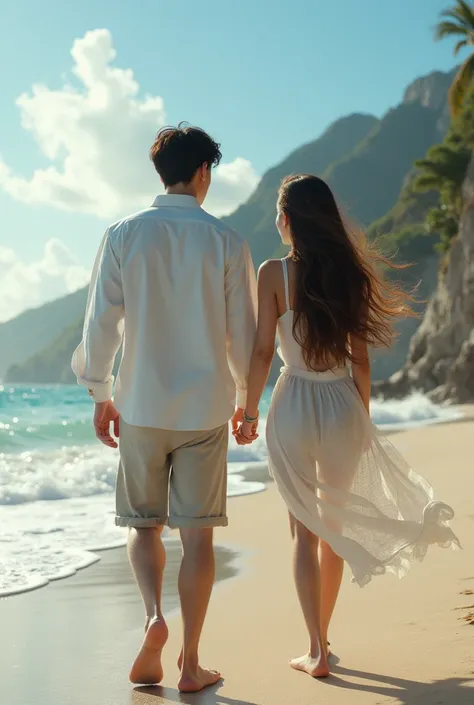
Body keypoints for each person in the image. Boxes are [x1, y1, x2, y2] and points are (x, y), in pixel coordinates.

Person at [234, 174, 459, 679]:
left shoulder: (273, 273)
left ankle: (313, 645)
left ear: (288, 219)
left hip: (291, 404)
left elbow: (263, 352)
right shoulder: (349, 275)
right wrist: (362, 421)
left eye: (277, 213)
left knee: (301, 531)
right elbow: (361, 363)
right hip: (339, 403)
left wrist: (248, 411)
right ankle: (324, 644)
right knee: (331, 531)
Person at [71, 124, 257, 693]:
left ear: (161, 172)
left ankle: (153, 616)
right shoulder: (226, 242)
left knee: (142, 523)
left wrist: (100, 392)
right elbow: (242, 338)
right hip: (204, 411)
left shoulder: (123, 234)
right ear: (203, 172)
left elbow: (102, 322)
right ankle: (191, 662)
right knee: (197, 538)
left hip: (141, 404)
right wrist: (247, 403)